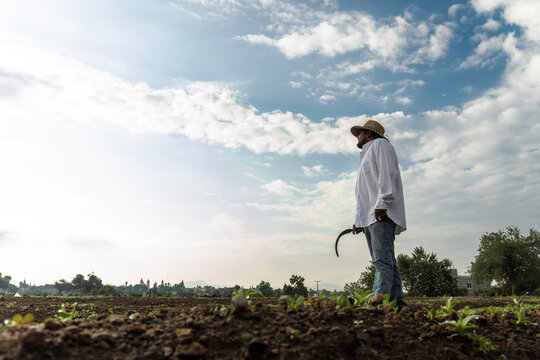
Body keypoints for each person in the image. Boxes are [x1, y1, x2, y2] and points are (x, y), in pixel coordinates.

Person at [350, 120, 407, 310]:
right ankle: (398, 305)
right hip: (370, 216)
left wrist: (383, 203)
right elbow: (364, 193)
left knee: (382, 261)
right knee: (388, 261)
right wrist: (359, 220)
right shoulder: (366, 154)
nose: (357, 135)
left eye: (360, 132)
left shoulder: (381, 145)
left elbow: (387, 173)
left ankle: (378, 303)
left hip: (380, 213)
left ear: (369, 133)